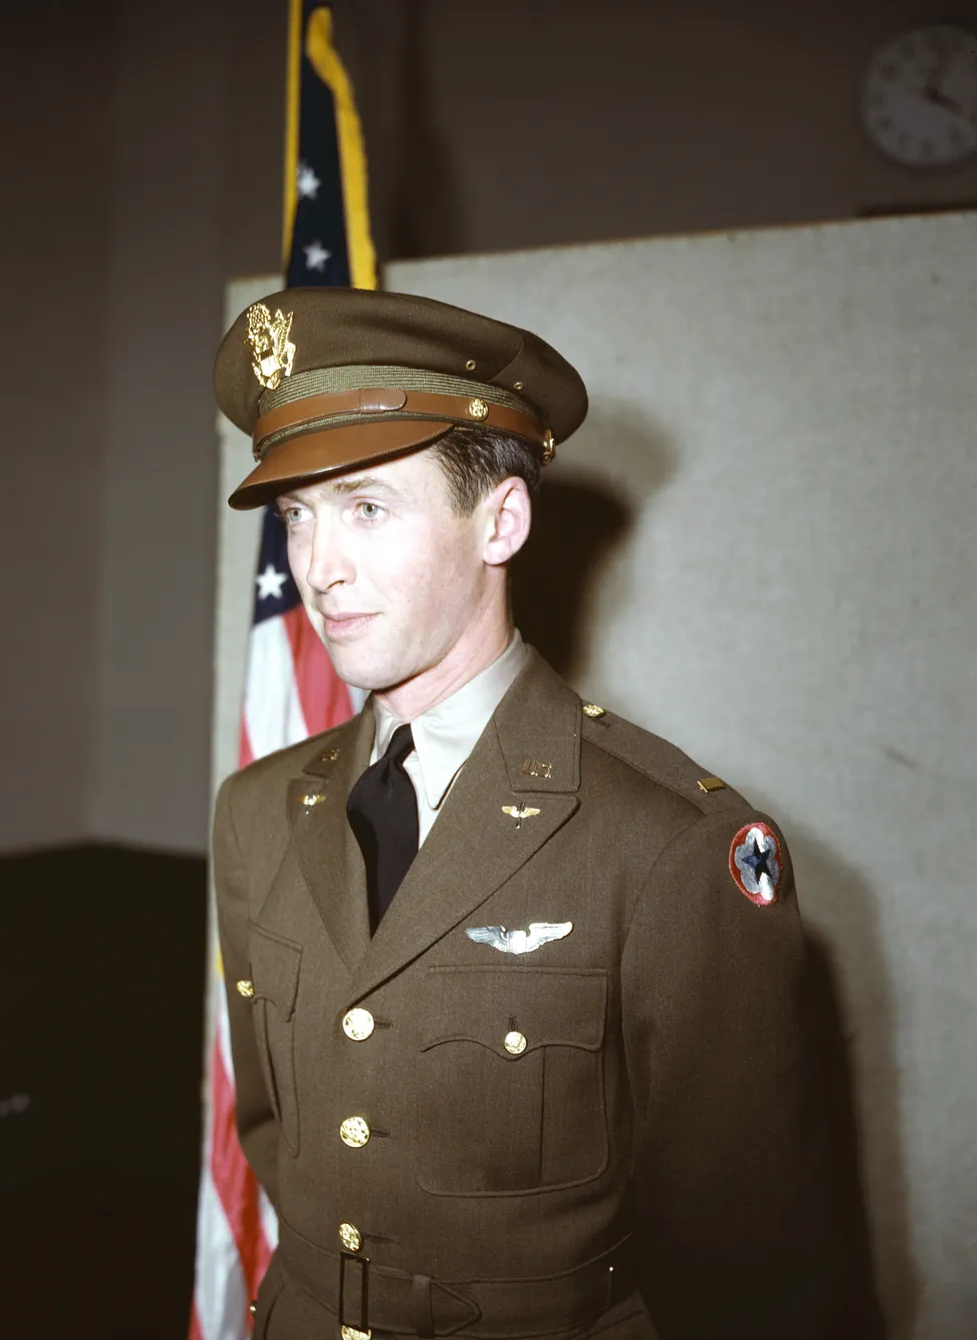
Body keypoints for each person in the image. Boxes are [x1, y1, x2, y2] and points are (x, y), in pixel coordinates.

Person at [211, 287, 842, 1340]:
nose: (317, 568)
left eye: (366, 506)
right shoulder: (258, 811)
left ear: (499, 519)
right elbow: (279, 1132)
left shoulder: (666, 843)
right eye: (297, 516)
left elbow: (746, 1265)